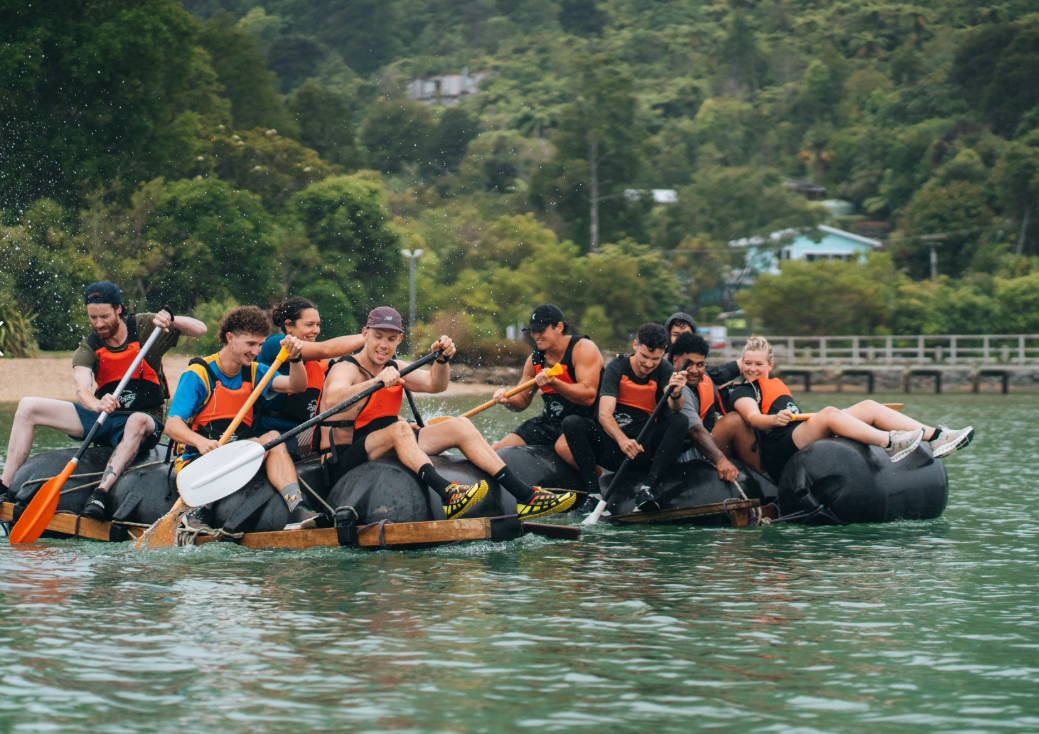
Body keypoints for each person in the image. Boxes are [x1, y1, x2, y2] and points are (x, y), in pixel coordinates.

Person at [317, 307, 577, 520]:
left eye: (391, 338)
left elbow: (435, 385)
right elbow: (333, 398)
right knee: (400, 428)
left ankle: (525, 496)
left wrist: (441, 361)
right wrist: (375, 383)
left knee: (459, 425)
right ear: (365, 334)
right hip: (349, 454)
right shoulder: (347, 368)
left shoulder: (395, 366)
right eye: (378, 336)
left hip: (390, 441)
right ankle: (447, 494)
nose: (384, 345)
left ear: (399, 339)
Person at [0, 281, 207, 519]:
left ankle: (101, 492)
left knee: (137, 420)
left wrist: (171, 319)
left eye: (104, 316)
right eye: (93, 317)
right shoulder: (89, 346)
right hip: (106, 417)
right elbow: (82, 389)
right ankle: (4, 487)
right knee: (28, 406)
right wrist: (97, 404)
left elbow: (200, 329)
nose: (98, 324)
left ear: (119, 309)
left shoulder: (145, 327)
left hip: (144, 423)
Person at [725, 335, 975, 482]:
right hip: (777, 450)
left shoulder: (775, 385)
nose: (752, 369)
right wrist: (774, 420)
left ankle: (937, 437)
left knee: (868, 406)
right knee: (830, 414)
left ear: (770, 365)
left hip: (796, 435)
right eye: (747, 363)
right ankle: (889, 442)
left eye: (758, 364)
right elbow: (753, 418)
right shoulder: (743, 390)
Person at [163, 306, 320, 530]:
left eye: (260, 345)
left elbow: (297, 385)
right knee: (259, 441)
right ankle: (200, 509)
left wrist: (295, 359)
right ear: (230, 338)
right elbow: (172, 425)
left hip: (239, 454)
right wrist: (201, 442)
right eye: (250, 344)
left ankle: (296, 506)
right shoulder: (198, 374)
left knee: (273, 437)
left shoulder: (255, 371)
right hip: (200, 459)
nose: (255, 351)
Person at [561, 323, 688, 513]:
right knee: (572, 423)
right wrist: (622, 440)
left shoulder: (664, 369)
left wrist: (676, 393)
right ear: (635, 345)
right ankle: (593, 494)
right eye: (645, 356)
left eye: (655, 359)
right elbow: (604, 413)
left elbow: (674, 406)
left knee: (680, 420)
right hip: (616, 449)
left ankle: (648, 489)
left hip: (644, 449)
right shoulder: (616, 367)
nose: (648, 364)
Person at [255, 297, 365, 457]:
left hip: (306, 431)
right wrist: (371, 336)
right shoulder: (276, 344)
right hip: (272, 433)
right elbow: (326, 349)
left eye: (318, 325)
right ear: (288, 326)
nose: (316, 330)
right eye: (309, 325)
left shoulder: (320, 364)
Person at [491, 304, 602, 455]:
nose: (536, 335)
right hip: (550, 422)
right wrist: (507, 400)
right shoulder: (534, 360)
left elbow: (588, 396)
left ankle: (599, 476)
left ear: (559, 327)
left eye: (541, 330)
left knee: (563, 449)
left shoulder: (583, 349)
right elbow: (522, 401)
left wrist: (554, 383)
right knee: (494, 451)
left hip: (584, 422)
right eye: (533, 331)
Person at [669, 333, 740, 482]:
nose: (694, 370)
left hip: (701, 445)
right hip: (683, 457)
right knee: (735, 422)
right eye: (689, 364)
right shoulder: (678, 387)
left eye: (700, 365)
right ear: (675, 360)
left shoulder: (704, 381)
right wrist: (720, 460)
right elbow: (695, 431)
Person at [663, 311, 741, 384]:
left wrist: (747, 360)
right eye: (676, 335)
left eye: (686, 334)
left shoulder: (701, 370)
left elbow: (718, 373)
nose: (682, 339)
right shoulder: (660, 364)